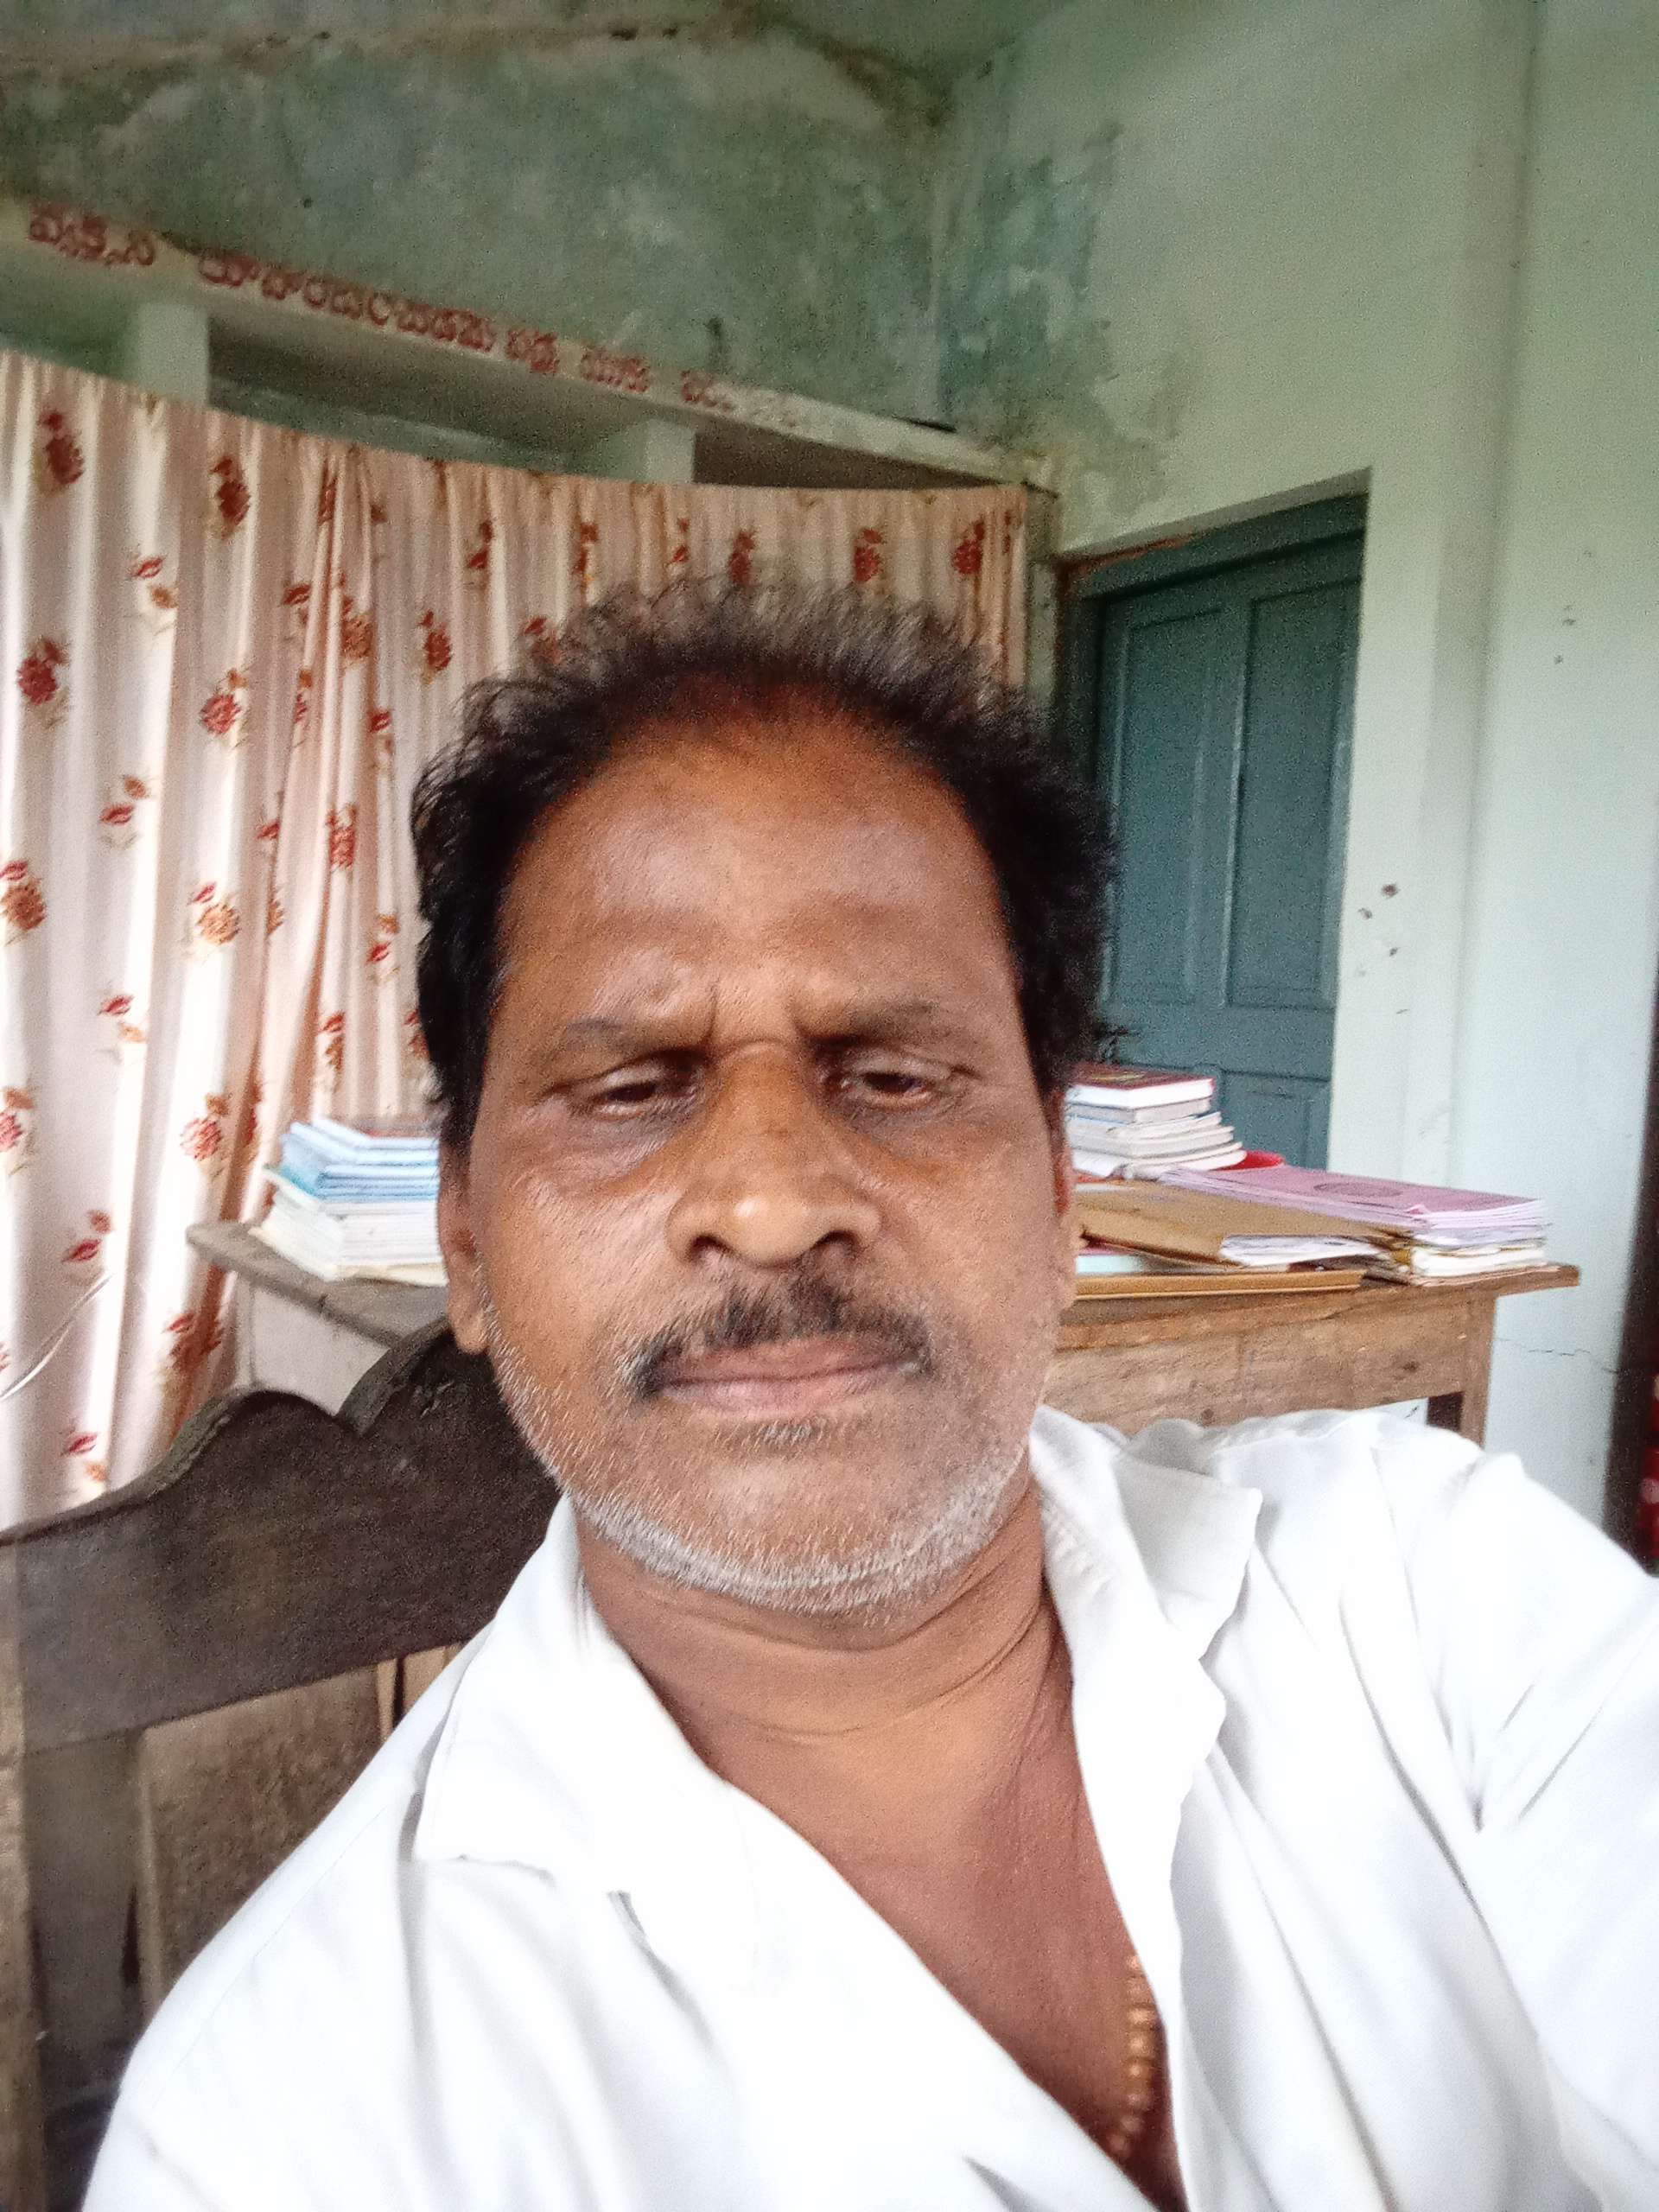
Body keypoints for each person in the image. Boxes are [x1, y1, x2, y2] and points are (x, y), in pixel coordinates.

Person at [89, 585, 1657, 2212]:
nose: (773, 1204)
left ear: (1062, 1197)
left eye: (896, 1076)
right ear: (468, 1246)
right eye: (630, 1089)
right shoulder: (291, 2127)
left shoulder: (1438, 1597)